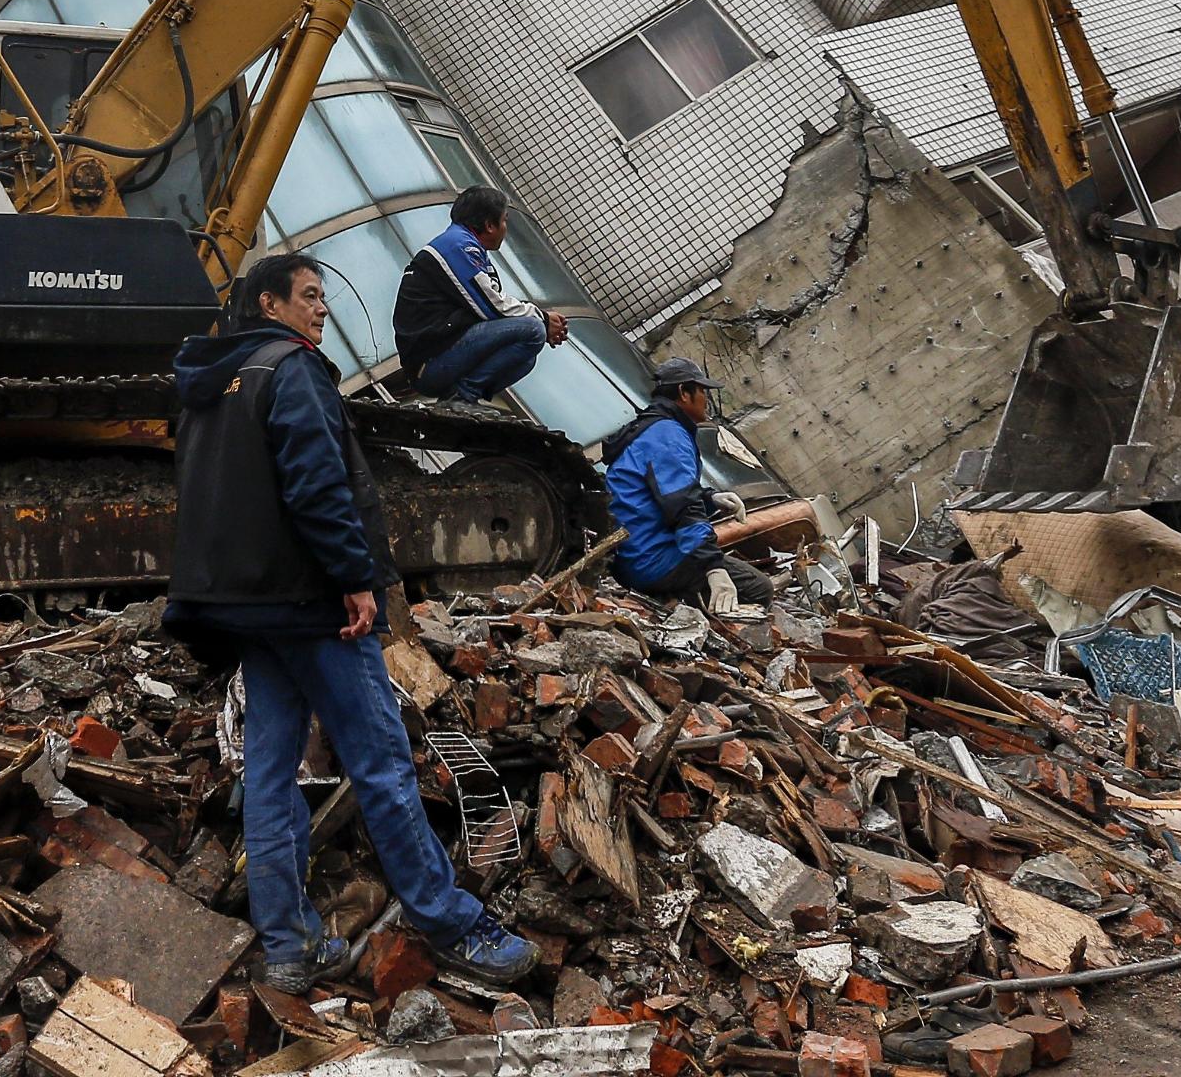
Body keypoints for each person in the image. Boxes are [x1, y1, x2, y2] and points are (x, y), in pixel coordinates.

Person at [164, 252, 537, 993]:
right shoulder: (290, 369)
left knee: (269, 776)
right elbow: (316, 484)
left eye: (322, 297)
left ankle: (291, 949)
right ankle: (453, 925)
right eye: (308, 295)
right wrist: (353, 579)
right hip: (312, 605)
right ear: (268, 302)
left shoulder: (209, 384)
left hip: (248, 610)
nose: (321, 309)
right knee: (382, 763)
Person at [600, 358, 777, 605]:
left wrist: (710, 499)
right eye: (702, 391)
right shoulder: (668, 435)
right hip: (651, 560)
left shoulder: (650, 430)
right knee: (758, 589)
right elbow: (682, 506)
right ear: (684, 392)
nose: (706, 398)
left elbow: (664, 496)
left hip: (633, 555)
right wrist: (713, 567)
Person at [392, 187, 568, 402]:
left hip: (440, 356)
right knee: (532, 330)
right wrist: (543, 317)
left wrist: (541, 318)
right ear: (489, 225)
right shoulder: (457, 246)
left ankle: (457, 397)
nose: (506, 227)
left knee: (526, 357)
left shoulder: (468, 248)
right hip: (429, 365)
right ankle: (463, 397)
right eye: (504, 220)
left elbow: (491, 304)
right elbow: (492, 308)